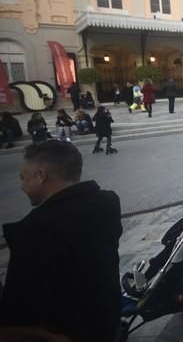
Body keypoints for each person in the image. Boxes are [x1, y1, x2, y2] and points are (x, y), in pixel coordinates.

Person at [0, 140, 122, 342]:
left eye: (23, 177)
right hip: (106, 322)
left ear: (41, 175)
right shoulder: (108, 202)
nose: (21, 185)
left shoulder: (36, 229)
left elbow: (18, 314)